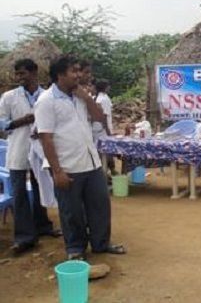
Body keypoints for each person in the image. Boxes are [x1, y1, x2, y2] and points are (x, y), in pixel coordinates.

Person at [35, 55, 125, 260]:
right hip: (67, 166)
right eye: (73, 71)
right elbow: (46, 138)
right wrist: (57, 171)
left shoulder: (79, 97)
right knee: (71, 211)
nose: (79, 75)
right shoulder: (47, 101)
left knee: (100, 205)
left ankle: (101, 244)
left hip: (90, 162)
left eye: (79, 70)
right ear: (60, 75)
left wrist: (85, 97)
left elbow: (99, 118)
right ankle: (75, 249)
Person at [0, 58, 61, 255]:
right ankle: (25, 237)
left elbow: (56, 122)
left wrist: (42, 130)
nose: (19, 77)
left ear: (34, 73)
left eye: (22, 73)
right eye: (17, 74)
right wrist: (23, 121)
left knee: (41, 186)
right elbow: (2, 124)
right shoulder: (9, 97)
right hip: (18, 148)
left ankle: (43, 226)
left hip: (41, 149)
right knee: (19, 193)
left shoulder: (47, 95)